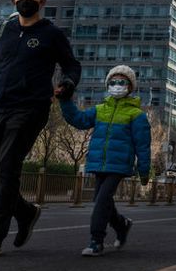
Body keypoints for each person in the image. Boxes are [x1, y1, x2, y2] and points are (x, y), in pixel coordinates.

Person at [0, 0, 82, 257]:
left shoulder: (51, 33)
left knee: (6, 169)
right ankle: (26, 212)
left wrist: (67, 85)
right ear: (13, 1)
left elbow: (71, 65)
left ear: (42, 2)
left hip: (31, 108)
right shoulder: (5, 29)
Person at [57, 65, 151, 257]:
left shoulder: (137, 115)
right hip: (98, 162)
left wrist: (144, 171)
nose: (117, 85)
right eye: (113, 82)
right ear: (108, 85)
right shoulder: (100, 110)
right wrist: (65, 100)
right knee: (102, 200)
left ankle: (96, 241)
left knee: (101, 201)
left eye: (122, 82)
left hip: (119, 165)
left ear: (130, 87)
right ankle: (122, 224)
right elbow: (79, 120)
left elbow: (143, 145)